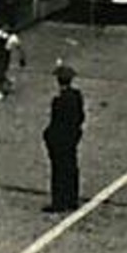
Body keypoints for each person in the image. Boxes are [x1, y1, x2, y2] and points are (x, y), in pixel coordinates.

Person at [42, 63, 85, 213]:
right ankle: (72, 198)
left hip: (60, 139)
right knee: (71, 167)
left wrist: (48, 136)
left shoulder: (59, 101)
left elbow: (55, 123)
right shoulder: (76, 96)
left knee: (58, 170)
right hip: (72, 137)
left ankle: (59, 201)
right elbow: (80, 117)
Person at [0, 25, 27, 101]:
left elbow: (19, 48)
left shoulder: (13, 38)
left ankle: (0, 90)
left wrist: (22, 59)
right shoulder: (1, 33)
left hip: (4, 56)